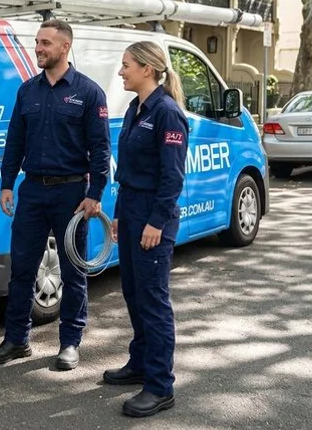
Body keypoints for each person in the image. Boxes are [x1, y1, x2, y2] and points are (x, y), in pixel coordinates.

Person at [0, 18, 111, 371]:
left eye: (45, 43)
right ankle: (16, 340)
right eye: (37, 42)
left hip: (72, 194)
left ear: (64, 47)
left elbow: (101, 148)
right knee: (22, 269)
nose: (38, 48)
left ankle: (70, 343)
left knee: (73, 272)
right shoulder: (28, 91)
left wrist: (95, 193)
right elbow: (15, 141)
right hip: (33, 190)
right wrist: (7, 183)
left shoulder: (88, 92)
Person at [103, 41, 188, 418]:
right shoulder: (137, 109)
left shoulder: (168, 113)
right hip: (133, 210)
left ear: (148, 69)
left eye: (126, 65)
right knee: (134, 294)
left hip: (155, 215)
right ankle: (139, 363)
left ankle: (160, 386)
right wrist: (121, 215)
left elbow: (172, 178)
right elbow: (127, 174)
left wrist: (155, 221)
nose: (121, 72)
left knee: (153, 301)